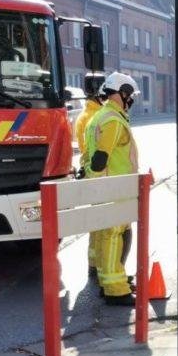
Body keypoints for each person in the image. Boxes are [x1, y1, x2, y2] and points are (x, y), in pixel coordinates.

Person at [85, 72, 141, 306]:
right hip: (115, 188)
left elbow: (89, 159)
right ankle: (115, 289)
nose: (132, 100)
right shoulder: (114, 121)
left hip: (100, 187)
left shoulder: (97, 117)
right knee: (113, 236)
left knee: (100, 233)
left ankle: (103, 276)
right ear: (123, 93)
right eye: (130, 95)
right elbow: (100, 158)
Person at [74, 72, 105, 278]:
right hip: (99, 176)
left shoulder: (85, 115)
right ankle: (101, 266)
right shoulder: (96, 117)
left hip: (91, 175)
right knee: (104, 226)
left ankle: (94, 263)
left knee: (97, 224)